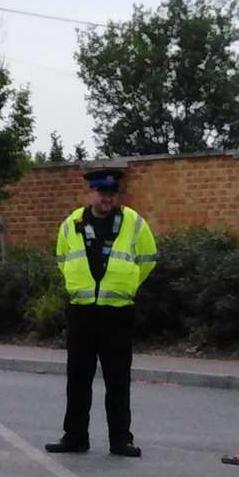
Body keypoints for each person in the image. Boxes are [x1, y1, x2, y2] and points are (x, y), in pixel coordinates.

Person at [48, 167, 157, 456]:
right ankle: (74, 437)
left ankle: (121, 439)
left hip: (117, 312)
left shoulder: (133, 222)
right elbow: (62, 258)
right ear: (91, 192)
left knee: (118, 379)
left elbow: (148, 259)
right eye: (102, 192)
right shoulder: (72, 223)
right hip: (82, 311)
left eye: (112, 193)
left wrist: (128, 283)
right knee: (78, 378)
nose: (107, 198)